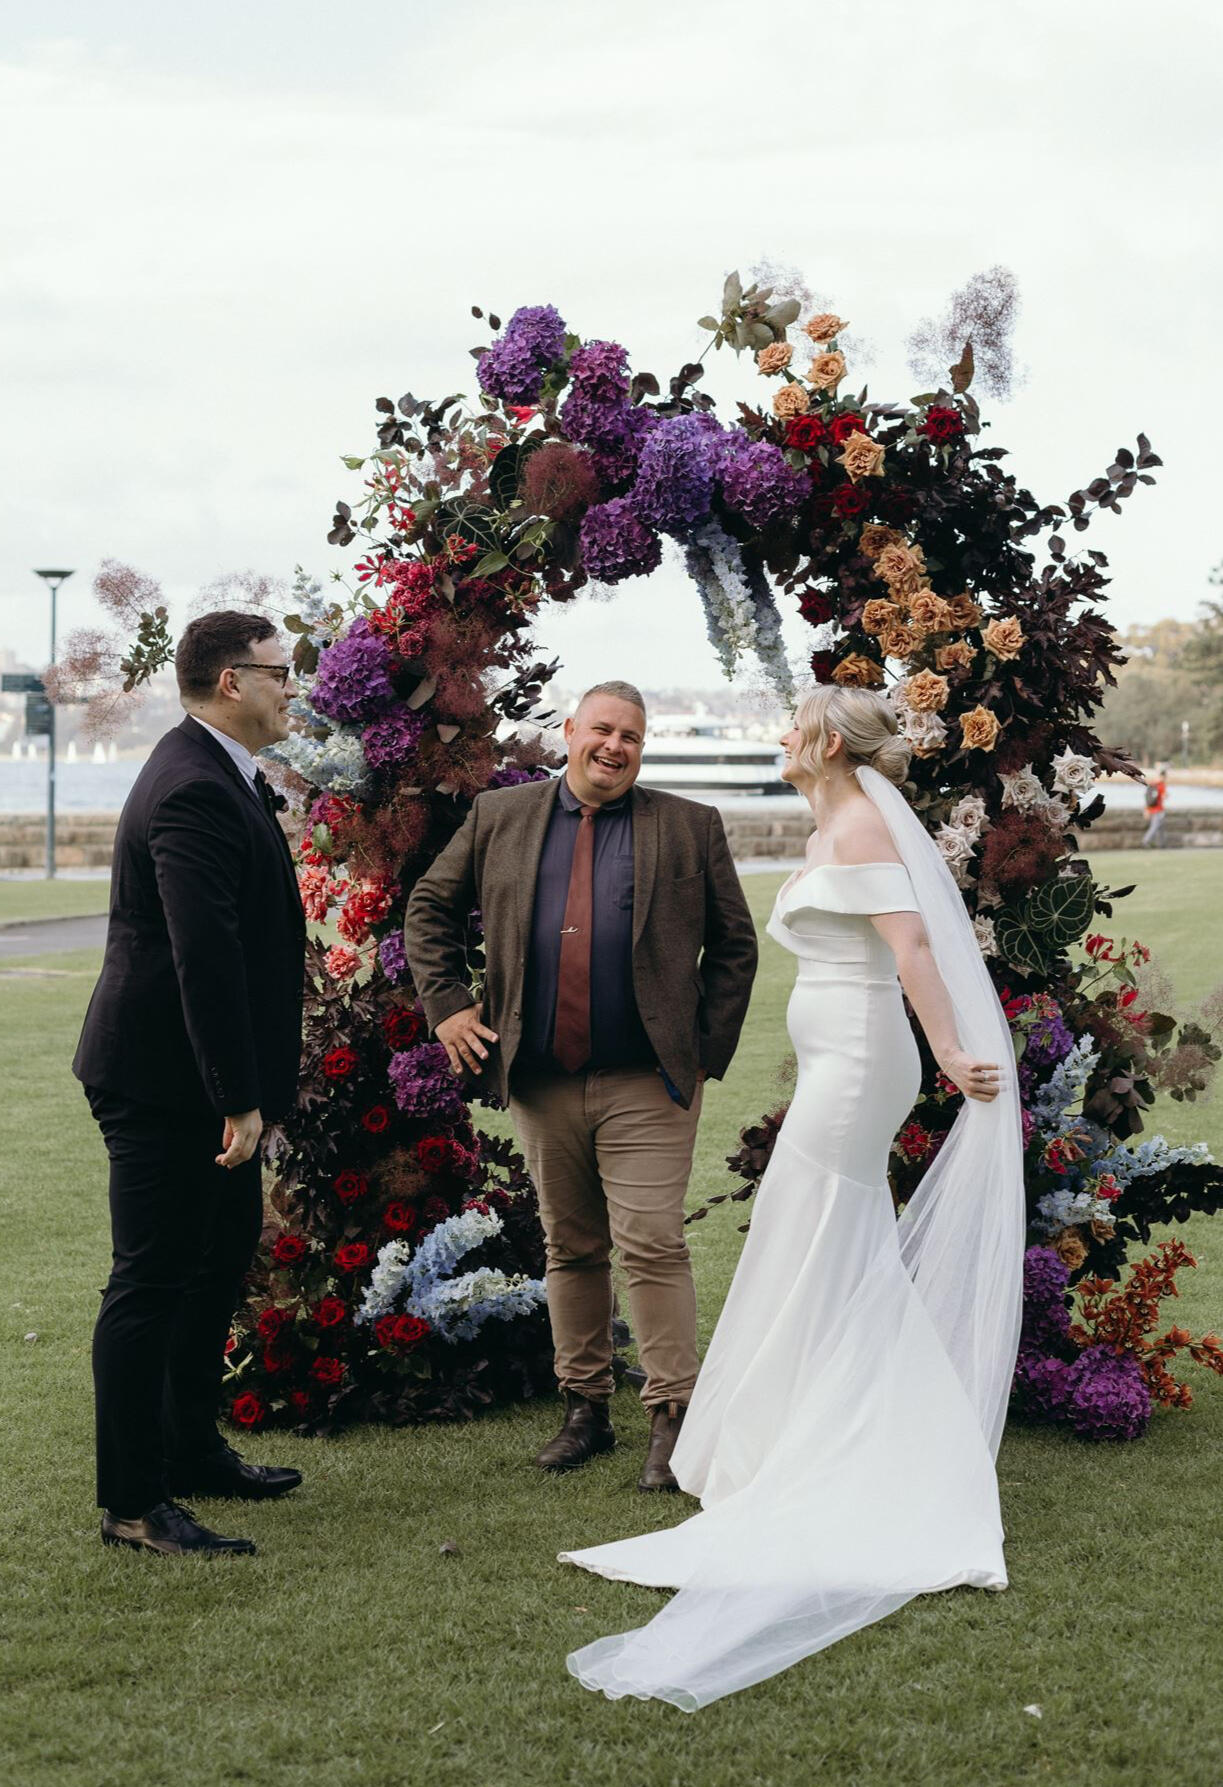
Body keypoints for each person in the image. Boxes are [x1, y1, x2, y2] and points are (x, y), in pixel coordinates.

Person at [559, 684, 1025, 1710]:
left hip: (860, 1064)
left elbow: (910, 949)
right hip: (834, 1061)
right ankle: (808, 1428)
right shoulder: (836, 820)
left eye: (786, 725)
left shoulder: (858, 823)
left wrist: (951, 1049)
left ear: (819, 740)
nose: (777, 738)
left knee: (811, 1232)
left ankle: (840, 1446)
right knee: (822, 1237)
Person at [404, 680, 758, 1491]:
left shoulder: (688, 826)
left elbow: (734, 946)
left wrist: (701, 1048)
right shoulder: (503, 817)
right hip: (541, 1076)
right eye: (602, 729)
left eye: (631, 736)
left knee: (652, 1241)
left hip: (648, 1079)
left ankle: (672, 1413)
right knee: (571, 1246)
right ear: (569, 731)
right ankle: (585, 1408)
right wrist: (450, 1006)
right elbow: (429, 907)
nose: (615, 746)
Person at [73, 612, 307, 1557]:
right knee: (151, 1281)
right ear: (229, 683)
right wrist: (237, 1096)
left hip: (205, 1078)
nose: (292, 687)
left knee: (215, 1264)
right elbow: (199, 954)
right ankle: (134, 1502)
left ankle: (190, 1446)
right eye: (279, 673)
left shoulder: (223, 773)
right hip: (165, 1079)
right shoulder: (191, 787)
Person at [1142, 763, 1169, 848]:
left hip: (1151, 809)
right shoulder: (1161, 785)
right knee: (1155, 827)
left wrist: (1146, 809)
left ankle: (1161, 844)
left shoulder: (1153, 784)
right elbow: (1164, 796)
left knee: (1160, 828)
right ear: (1164, 777)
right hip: (1159, 810)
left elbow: (1147, 798)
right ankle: (1146, 841)